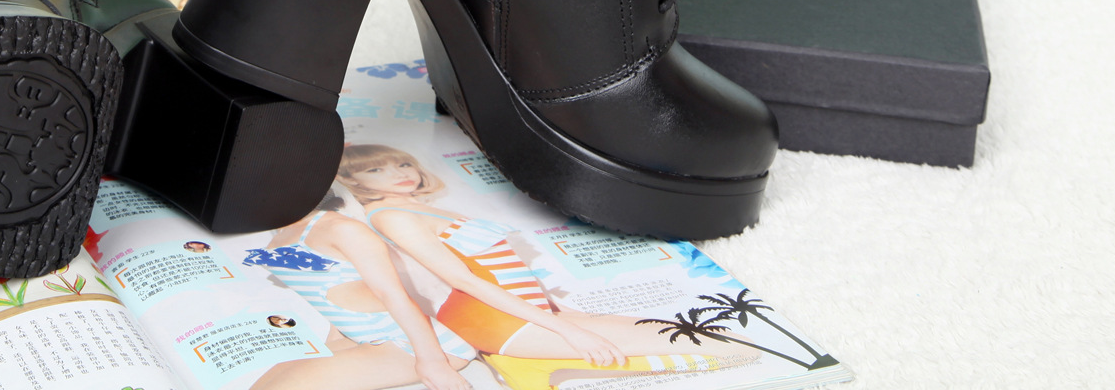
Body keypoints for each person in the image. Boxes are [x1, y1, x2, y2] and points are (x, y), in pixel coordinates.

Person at [339, 146, 744, 366]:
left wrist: (559, 312)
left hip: (523, 310)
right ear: (351, 179)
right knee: (699, 343)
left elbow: (502, 269)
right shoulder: (391, 216)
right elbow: (464, 280)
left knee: (702, 336)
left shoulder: (417, 208)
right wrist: (567, 328)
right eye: (376, 170)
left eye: (402, 163)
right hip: (492, 319)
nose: (399, 173)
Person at [243, 195, 475, 390]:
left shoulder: (342, 228)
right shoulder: (279, 237)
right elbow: (328, 289)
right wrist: (331, 344)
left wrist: (433, 362)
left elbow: (392, 294)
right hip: (360, 338)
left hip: (415, 344)